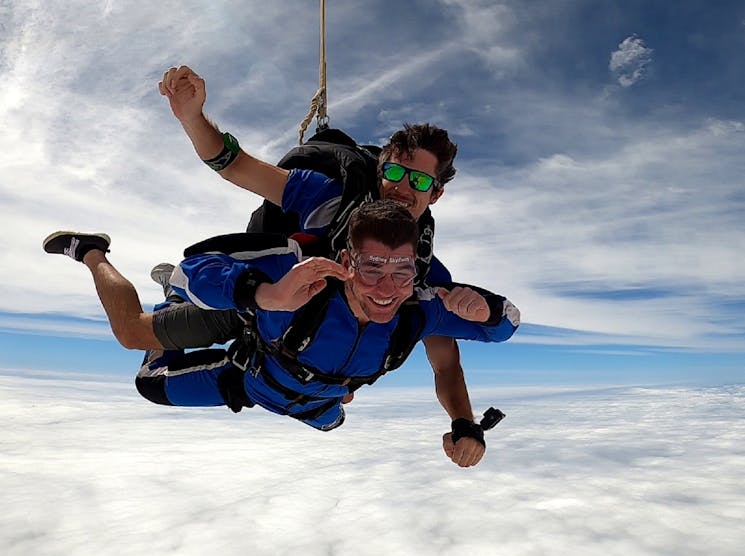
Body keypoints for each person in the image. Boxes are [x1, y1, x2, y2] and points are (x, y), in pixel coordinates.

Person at [158, 65, 494, 462]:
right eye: (393, 172)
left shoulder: (420, 273)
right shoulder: (330, 200)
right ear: (378, 170)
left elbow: (445, 364)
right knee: (147, 354)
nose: (402, 188)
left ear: (435, 194)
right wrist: (193, 118)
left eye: (419, 181)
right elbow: (236, 166)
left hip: (306, 353)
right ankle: (176, 289)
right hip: (260, 304)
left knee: (333, 414)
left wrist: (464, 422)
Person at [44, 201, 519, 466]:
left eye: (400, 272)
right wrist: (265, 295)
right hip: (248, 379)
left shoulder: (419, 310)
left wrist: (487, 308)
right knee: (148, 378)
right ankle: (92, 253)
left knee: (334, 420)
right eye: (372, 268)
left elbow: (507, 326)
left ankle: (326, 405)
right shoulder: (301, 276)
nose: (385, 289)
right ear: (347, 263)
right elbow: (195, 266)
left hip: (320, 406)